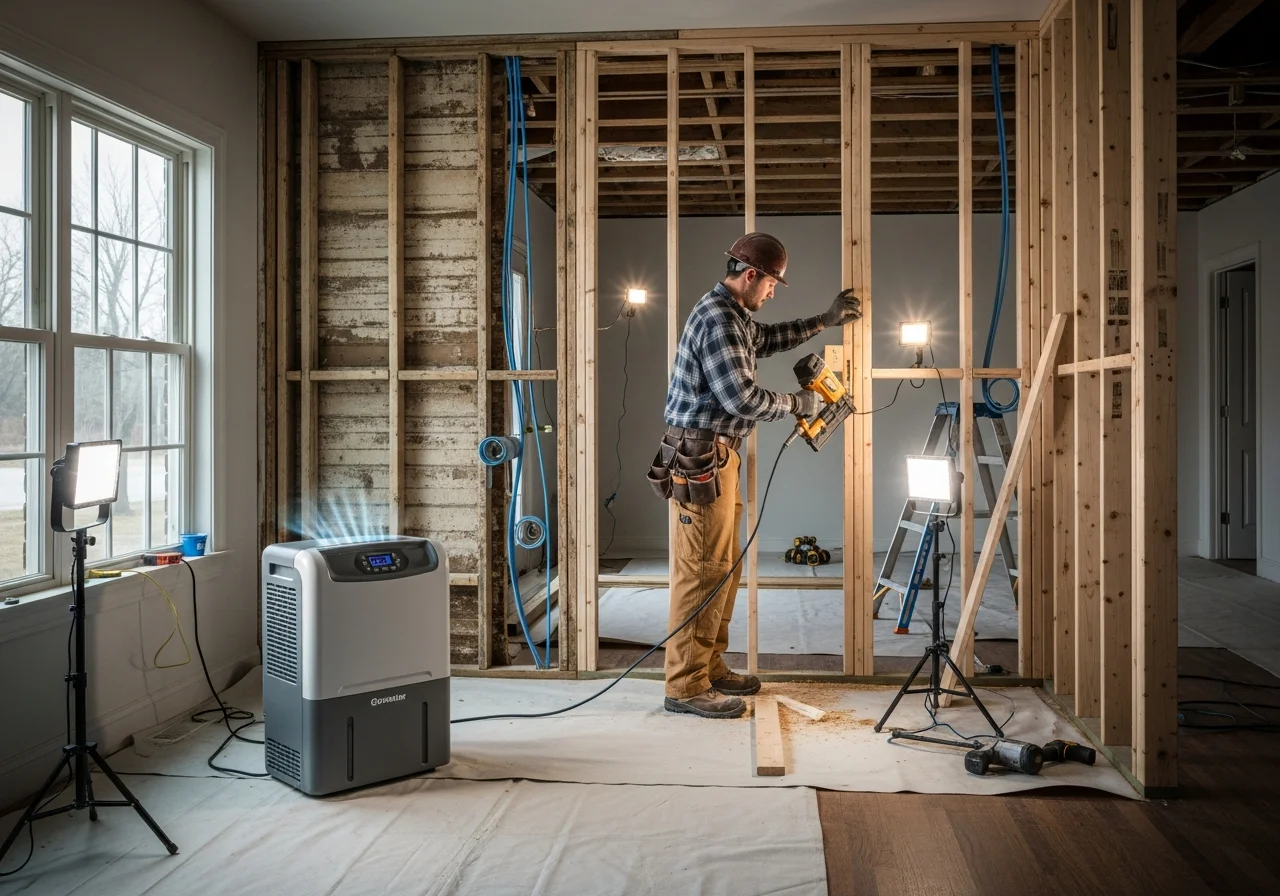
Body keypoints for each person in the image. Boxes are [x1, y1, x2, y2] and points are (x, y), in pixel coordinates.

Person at [650, 231, 861, 718]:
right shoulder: (719, 320)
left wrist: (823, 321)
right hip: (702, 456)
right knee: (701, 572)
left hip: (720, 456)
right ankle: (685, 685)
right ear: (751, 276)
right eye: (771, 285)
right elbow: (741, 399)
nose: (772, 293)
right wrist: (797, 403)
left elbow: (766, 338)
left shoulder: (737, 317)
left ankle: (709, 666)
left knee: (724, 566)